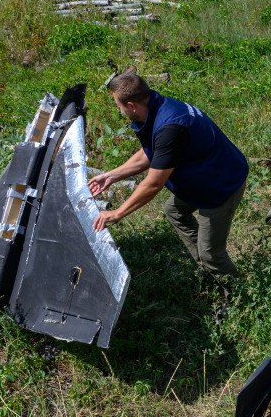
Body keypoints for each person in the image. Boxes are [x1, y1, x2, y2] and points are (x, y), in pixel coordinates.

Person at [88, 72, 249, 277]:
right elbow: (154, 153)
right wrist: (111, 176)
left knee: (212, 253)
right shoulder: (156, 106)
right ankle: (209, 271)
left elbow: (153, 184)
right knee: (175, 211)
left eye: (118, 106)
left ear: (132, 105)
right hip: (207, 173)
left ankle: (234, 294)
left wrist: (118, 212)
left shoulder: (170, 126)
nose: (119, 111)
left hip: (221, 184)